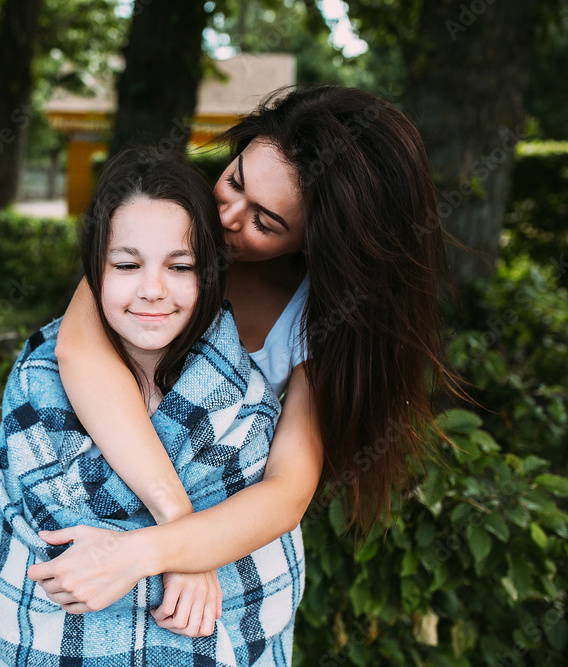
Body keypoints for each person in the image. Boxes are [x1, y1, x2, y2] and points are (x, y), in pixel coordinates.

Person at [28, 85, 457, 633]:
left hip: (222, 561)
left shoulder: (320, 320)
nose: (225, 215)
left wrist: (155, 553)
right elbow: (78, 349)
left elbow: (286, 491)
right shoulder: (165, 219)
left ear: (315, 242)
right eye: (234, 180)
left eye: (265, 222)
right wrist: (177, 527)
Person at [0, 149, 303, 665]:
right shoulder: (39, 384)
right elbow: (53, 547)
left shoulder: (248, 404)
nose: (152, 289)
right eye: (127, 265)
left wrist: (161, 550)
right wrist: (192, 539)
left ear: (209, 278)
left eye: (181, 267)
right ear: (95, 271)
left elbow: (274, 517)